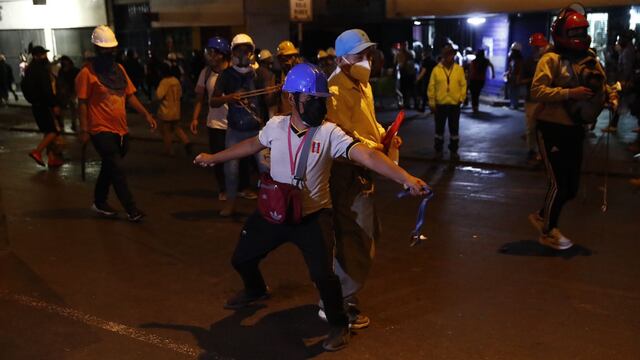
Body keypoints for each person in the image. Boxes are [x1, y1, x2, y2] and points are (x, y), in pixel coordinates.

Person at [194, 63, 428, 351]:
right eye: (312, 101)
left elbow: (366, 155)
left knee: (323, 276)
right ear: (291, 99)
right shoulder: (276, 126)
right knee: (241, 259)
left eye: (322, 101)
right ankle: (254, 289)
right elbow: (252, 145)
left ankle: (339, 325)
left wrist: (404, 177)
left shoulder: (331, 133)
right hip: (275, 212)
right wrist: (214, 158)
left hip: (312, 217)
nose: (319, 107)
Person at [325, 29, 401, 329]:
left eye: (368, 54)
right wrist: (373, 148)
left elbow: (367, 125)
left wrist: (386, 136)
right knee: (354, 234)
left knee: (365, 233)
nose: (367, 61)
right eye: (360, 55)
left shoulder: (363, 86)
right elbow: (339, 138)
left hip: (365, 168)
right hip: (346, 172)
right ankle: (338, 304)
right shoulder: (333, 90)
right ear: (342, 58)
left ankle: (342, 297)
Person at [529, 4, 617, 249]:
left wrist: (610, 96)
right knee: (558, 183)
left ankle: (541, 216)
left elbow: (603, 85)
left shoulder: (589, 58)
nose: (579, 37)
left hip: (575, 129)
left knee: (571, 188)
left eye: (582, 32)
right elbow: (536, 90)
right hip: (551, 128)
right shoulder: (551, 59)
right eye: (574, 32)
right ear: (562, 33)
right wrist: (570, 93)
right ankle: (548, 231)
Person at [76, 25, 157, 222]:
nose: (109, 54)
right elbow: (83, 103)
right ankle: (132, 209)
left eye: (111, 50)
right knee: (117, 169)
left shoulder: (119, 70)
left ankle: (99, 201)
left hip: (121, 130)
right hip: (100, 129)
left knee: (110, 167)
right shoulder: (86, 74)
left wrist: (146, 114)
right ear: (96, 49)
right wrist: (85, 129)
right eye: (105, 51)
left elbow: (130, 96)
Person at [210, 33, 267, 216]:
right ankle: (231, 205)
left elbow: (269, 100)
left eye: (246, 50)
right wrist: (229, 97)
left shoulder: (260, 74)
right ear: (233, 52)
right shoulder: (227, 75)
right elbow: (214, 101)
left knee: (267, 170)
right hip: (234, 131)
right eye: (239, 49)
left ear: (252, 51)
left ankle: (270, 205)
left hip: (259, 131)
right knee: (231, 170)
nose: (243, 53)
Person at [23, 45, 64, 168]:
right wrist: (54, 104)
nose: (45, 56)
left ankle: (52, 158)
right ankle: (37, 151)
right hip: (44, 105)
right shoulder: (41, 70)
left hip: (36, 105)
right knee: (53, 131)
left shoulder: (30, 70)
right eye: (42, 54)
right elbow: (47, 90)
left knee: (48, 131)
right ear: (36, 56)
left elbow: (25, 87)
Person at [427, 44, 467, 160]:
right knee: (439, 130)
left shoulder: (459, 69)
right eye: (447, 54)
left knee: (454, 130)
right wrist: (432, 102)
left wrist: (461, 98)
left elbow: (463, 85)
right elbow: (431, 87)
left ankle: (453, 151)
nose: (450, 57)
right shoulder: (436, 70)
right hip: (440, 104)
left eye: (451, 54)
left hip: (454, 104)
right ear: (443, 56)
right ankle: (438, 150)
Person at [520, 33, 550, 163]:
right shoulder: (528, 62)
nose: (539, 49)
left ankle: (542, 152)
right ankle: (531, 150)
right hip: (532, 100)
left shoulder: (550, 61)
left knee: (544, 129)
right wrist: (535, 80)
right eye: (537, 47)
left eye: (541, 46)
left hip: (547, 101)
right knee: (531, 127)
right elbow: (520, 80)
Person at [603, 30, 637, 133]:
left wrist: (623, 81)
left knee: (620, 101)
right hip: (624, 80)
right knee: (619, 101)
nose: (619, 41)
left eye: (620, 39)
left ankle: (613, 125)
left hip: (624, 81)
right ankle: (613, 124)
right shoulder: (627, 49)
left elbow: (627, 68)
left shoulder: (627, 51)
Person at [156, 62, 192, 155]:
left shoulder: (165, 82)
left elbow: (159, 95)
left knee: (166, 131)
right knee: (176, 128)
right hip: (176, 109)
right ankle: (187, 142)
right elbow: (180, 94)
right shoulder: (176, 80)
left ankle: (168, 150)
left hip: (166, 110)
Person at [275, 40, 302, 115]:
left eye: (289, 57)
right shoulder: (283, 72)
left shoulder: (302, 72)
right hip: (286, 116)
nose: (286, 62)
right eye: (282, 59)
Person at [55, 55, 80, 132]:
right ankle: (65, 124)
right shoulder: (62, 71)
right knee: (66, 109)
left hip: (71, 92)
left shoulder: (74, 70)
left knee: (73, 109)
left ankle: (73, 124)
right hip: (65, 92)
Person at [468, 49, 495, 114]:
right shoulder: (486, 61)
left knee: (473, 94)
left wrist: (468, 79)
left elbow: (471, 71)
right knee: (477, 94)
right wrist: (493, 74)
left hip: (473, 79)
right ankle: (476, 107)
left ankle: (474, 108)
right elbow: (492, 66)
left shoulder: (474, 61)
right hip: (481, 80)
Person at [415, 46, 437, 113]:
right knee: (430, 95)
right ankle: (432, 108)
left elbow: (423, 71)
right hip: (432, 79)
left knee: (425, 94)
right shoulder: (433, 61)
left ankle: (423, 108)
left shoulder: (425, 61)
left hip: (426, 79)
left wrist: (418, 78)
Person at [506, 42, 524, 110]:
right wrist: (508, 72)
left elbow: (519, 69)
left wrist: (518, 78)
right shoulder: (513, 59)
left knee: (515, 91)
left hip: (515, 76)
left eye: (513, 50)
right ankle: (512, 104)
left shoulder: (519, 60)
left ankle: (514, 104)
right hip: (512, 76)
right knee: (512, 90)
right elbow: (511, 67)